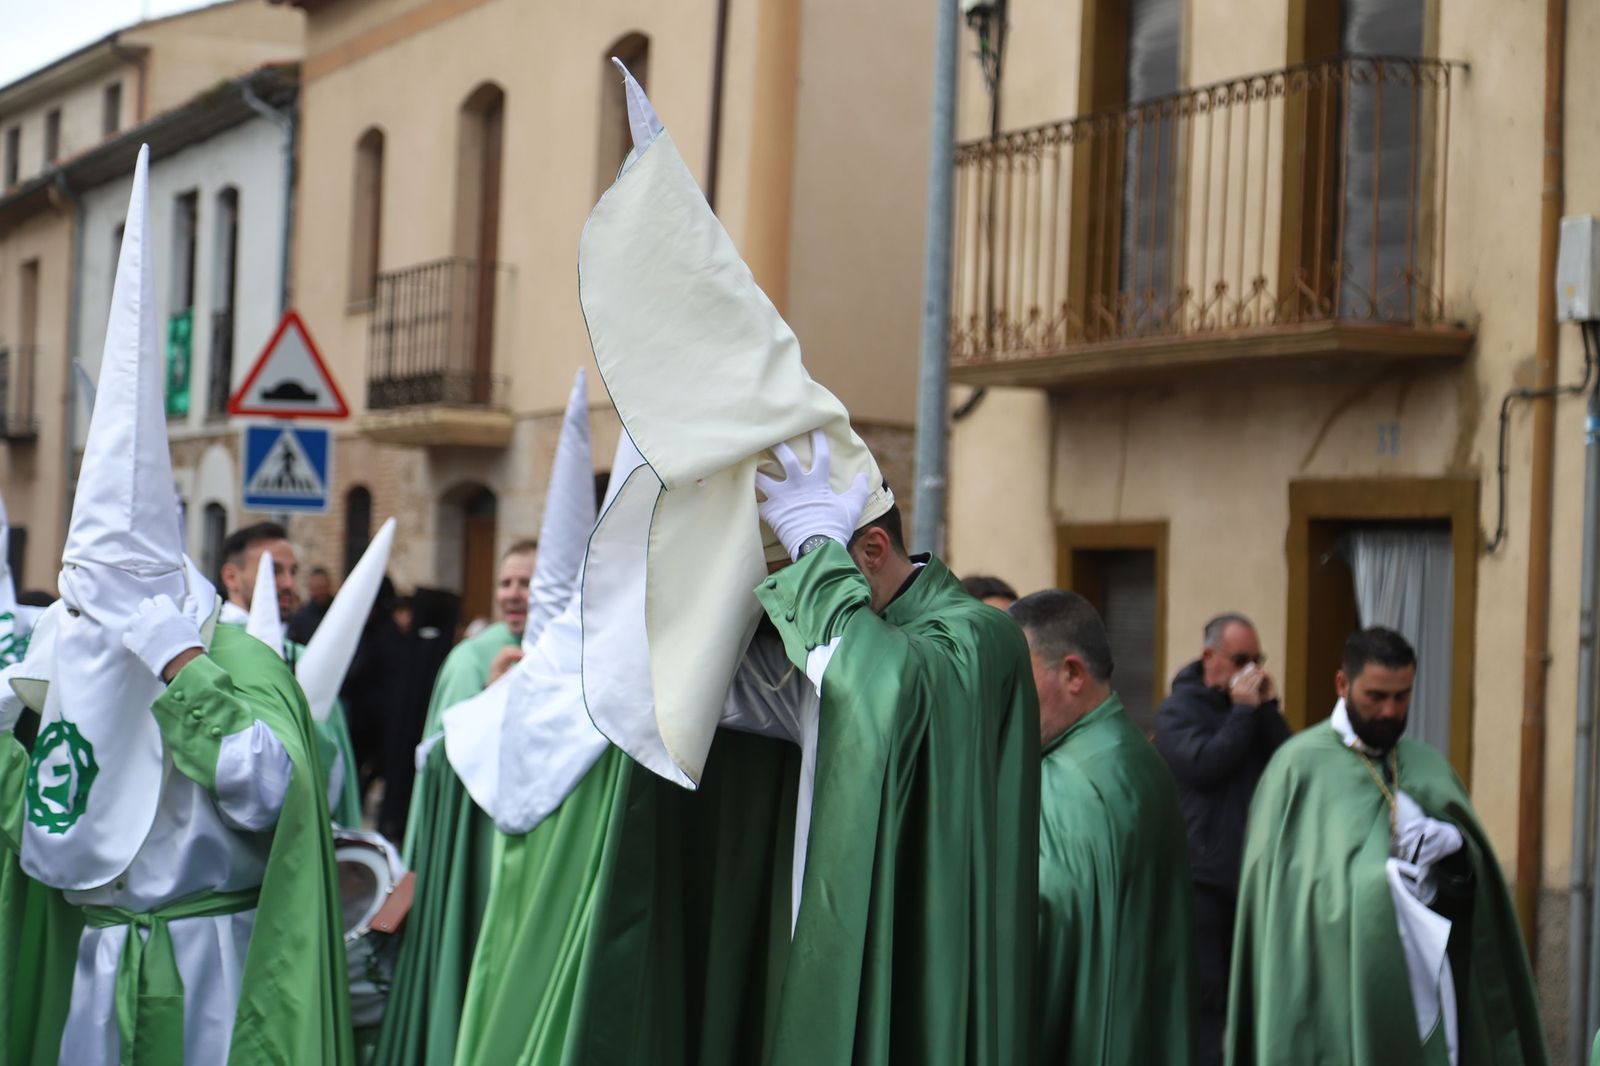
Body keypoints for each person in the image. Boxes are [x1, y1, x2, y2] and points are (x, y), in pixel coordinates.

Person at [0, 147, 352, 1063]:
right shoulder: (64, 654)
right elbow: (43, 816)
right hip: (98, 966)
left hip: (209, 971)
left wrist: (180, 666)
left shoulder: (232, 660)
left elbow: (269, 791)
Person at [1228, 627, 1548, 1064]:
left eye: (1402, 697)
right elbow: (1285, 902)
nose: (1390, 711)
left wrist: (1456, 851)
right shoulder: (1297, 769)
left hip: (1426, 986)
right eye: (1375, 696)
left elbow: (1474, 897)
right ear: (1343, 685)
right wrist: (1377, 887)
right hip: (1335, 991)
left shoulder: (1426, 764)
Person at [1009, 589, 1195, 1063]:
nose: (1004, 702)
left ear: (1072, 673)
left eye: (1015, 680)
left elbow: (1026, 952)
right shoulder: (1136, 755)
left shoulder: (1063, 784)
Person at [1154, 612, 1290, 1065]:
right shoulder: (1178, 710)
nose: (1250, 669)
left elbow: (1285, 761)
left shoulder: (1248, 710)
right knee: (1207, 1001)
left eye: (1257, 659)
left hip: (1253, 878)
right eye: (1240, 659)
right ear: (1209, 657)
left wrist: (1265, 708)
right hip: (1203, 881)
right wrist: (1243, 712)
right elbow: (1206, 765)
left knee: (1253, 995)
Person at [419, 541, 535, 738]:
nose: (512, 595)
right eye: (505, 584)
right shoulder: (469, 658)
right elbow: (449, 747)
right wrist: (491, 697)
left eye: (526, 583)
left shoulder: (569, 652)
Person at [218, 522, 298, 633]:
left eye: (293, 572)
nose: (289, 584)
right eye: (272, 571)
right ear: (231, 577)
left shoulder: (301, 648)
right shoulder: (208, 645)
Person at [288, 566, 335, 644]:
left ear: (328, 586)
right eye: (316, 588)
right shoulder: (300, 618)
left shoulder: (338, 611)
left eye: (322, 587)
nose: (320, 592)